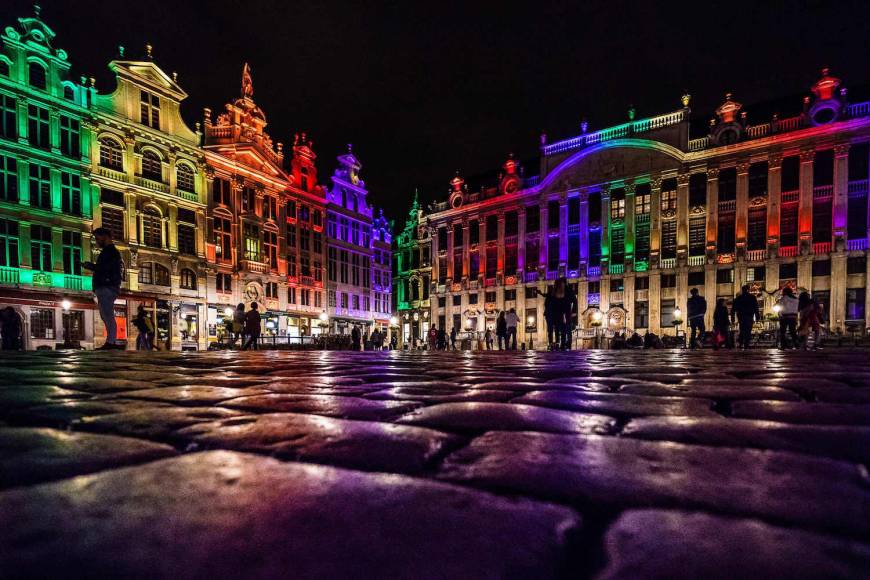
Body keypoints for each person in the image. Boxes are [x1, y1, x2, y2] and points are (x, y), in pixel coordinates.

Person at [82, 227, 124, 350]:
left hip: (107, 286)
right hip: (107, 286)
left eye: (97, 238)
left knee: (107, 314)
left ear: (105, 236)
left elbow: (105, 268)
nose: (96, 241)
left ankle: (111, 342)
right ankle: (110, 341)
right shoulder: (110, 251)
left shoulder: (110, 252)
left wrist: (91, 266)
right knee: (105, 314)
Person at [731, 285, 761, 350]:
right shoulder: (752, 297)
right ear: (748, 290)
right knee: (748, 331)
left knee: (742, 329)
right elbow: (756, 308)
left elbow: (733, 309)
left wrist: (732, 318)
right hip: (749, 316)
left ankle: (741, 343)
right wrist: (757, 316)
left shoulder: (738, 298)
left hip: (741, 316)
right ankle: (746, 344)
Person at [536, 286, 556, 350]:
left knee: (551, 329)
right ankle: (551, 343)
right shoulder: (550, 295)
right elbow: (544, 295)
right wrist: (540, 293)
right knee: (550, 329)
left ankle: (553, 343)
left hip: (551, 314)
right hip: (549, 314)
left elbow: (544, 295)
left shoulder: (553, 296)